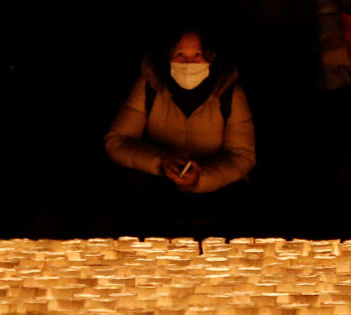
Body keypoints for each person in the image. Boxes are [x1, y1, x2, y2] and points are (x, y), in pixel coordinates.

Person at [103, 26, 256, 199]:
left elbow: (243, 157)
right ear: (168, 55)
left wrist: (201, 177)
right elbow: (116, 142)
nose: (188, 63)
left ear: (211, 57)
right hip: (154, 192)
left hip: (216, 195)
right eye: (180, 54)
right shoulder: (148, 87)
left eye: (197, 54)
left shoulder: (230, 94)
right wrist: (161, 161)